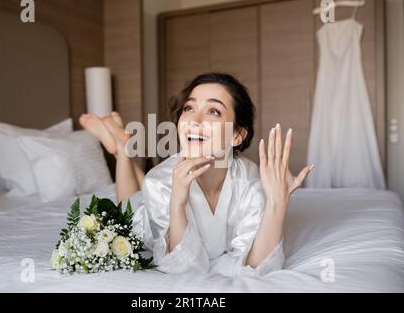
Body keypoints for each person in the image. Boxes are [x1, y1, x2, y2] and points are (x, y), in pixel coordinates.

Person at [79, 72, 313, 276]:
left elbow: (256, 266)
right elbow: (182, 269)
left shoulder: (251, 181)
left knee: (142, 190)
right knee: (127, 208)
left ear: (237, 135)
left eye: (213, 111)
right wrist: (177, 202)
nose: (194, 120)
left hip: (162, 183)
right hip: (151, 212)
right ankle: (122, 148)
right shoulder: (160, 182)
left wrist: (278, 203)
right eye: (189, 108)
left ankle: (122, 144)